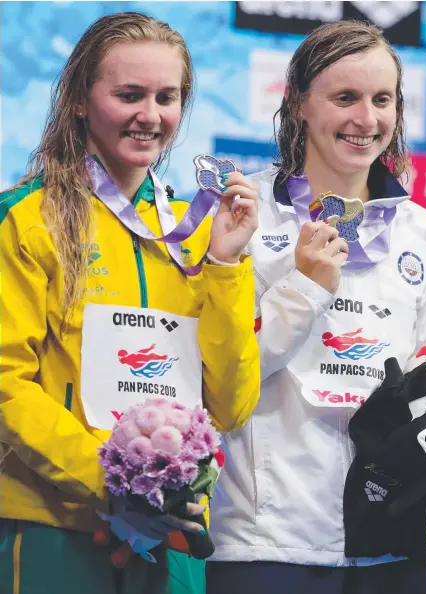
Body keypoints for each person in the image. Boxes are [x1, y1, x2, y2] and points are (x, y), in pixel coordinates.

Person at [0, 12, 260, 594]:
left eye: (167, 97)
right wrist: (116, 478)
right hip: (58, 528)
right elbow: (5, 383)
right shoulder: (25, 219)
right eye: (129, 94)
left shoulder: (196, 234)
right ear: (77, 100)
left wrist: (224, 265)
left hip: (173, 534)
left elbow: (232, 406)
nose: (151, 115)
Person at [207, 20, 426, 594]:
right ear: (297, 102)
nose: (367, 120)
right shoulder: (240, 215)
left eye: (381, 99)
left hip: (392, 543)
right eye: (345, 98)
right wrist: (305, 288)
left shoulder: (424, 234)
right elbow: (218, 377)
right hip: (266, 542)